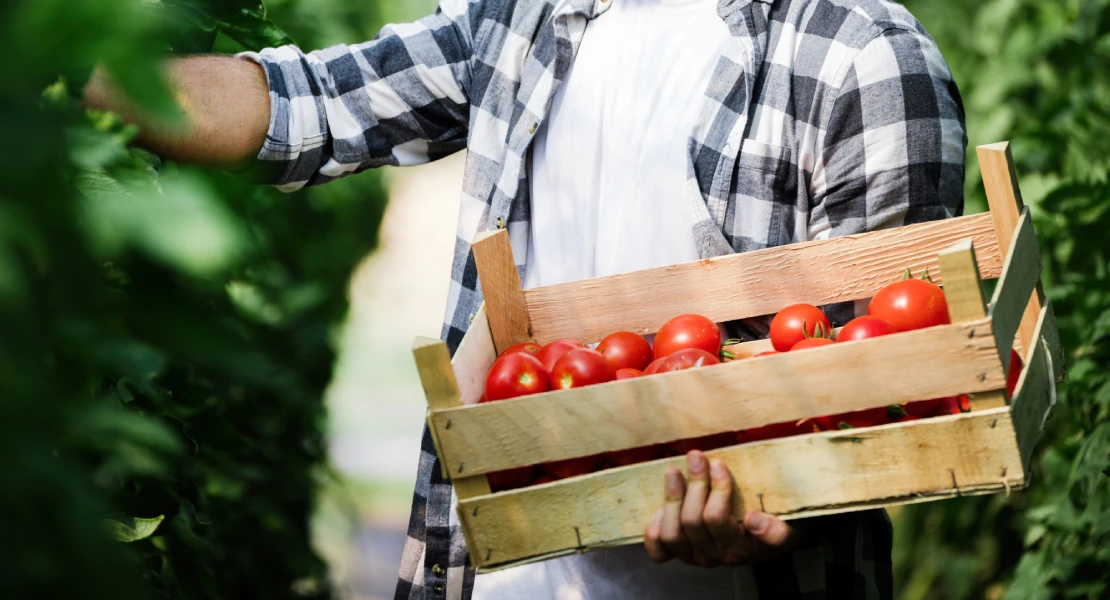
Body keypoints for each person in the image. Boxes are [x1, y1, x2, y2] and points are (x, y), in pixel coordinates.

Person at [84, 0, 965, 597]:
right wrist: (74, 74)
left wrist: (777, 512)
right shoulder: (526, 17)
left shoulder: (867, 57)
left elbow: (882, 407)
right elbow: (305, 105)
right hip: (505, 574)